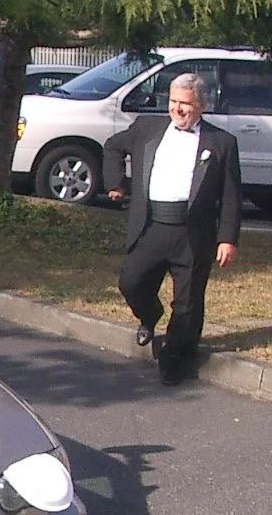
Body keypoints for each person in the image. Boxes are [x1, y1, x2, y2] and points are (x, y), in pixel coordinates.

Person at [103, 72, 241, 387]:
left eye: (186, 105)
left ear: (203, 106)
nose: (178, 110)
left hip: (193, 233)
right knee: (131, 282)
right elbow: (112, 147)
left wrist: (227, 239)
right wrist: (115, 183)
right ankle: (149, 316)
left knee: (188, 302)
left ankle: (175, 360)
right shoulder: (146, 128)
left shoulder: (221, 143)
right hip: (151, 227)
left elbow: (232, 195)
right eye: (174, 102)